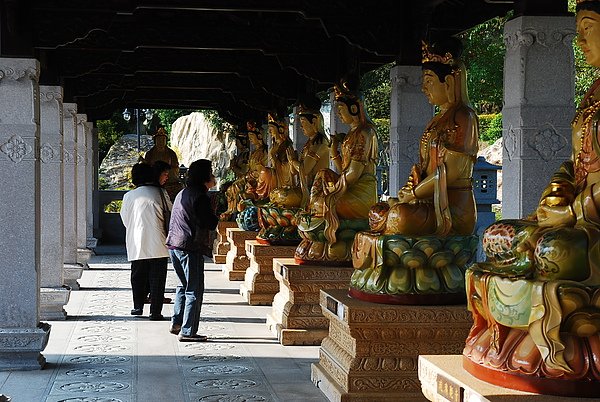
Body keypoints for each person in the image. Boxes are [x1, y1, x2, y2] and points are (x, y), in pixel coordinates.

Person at [462, 0, 600, 389]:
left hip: (591, 229)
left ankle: (549, 344)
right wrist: (555, 195)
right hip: (578, 221)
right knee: (500, 236)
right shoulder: (592, 96)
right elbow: (577, 164)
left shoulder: (461, 120)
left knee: (553, 250)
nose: (581, 40)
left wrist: (571, 213)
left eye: (588, 29)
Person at [368, 37, 478, 236]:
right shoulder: (435, 121)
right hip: (426, 201)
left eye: (429, 81)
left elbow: (450, 173)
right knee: (380, 211)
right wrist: (410, 187)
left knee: (399, 217)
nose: (424, 88)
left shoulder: (464, 117)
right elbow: (427, 168)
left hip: (451, 210)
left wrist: (413, 194)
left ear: (450, 83)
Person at [295, 76, 378, 263]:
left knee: (323, 205)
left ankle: (330, 242)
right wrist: (335, 152)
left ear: (354, 108)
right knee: (323, 175)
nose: (339, 114)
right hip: (348, 188)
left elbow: (353, 174)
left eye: (340, 109)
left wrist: (332, 191)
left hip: (361, 194)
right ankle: (318, 223)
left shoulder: (365, 133)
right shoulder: (351, 134)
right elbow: (343, 170)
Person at [166, 159, 218, 342]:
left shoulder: (184, 192)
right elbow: (209, 222)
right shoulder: (200, 195)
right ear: (205, 176)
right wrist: (217, 213)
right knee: (194, 289)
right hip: (190, 246)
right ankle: (188, 331)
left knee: (183, 285)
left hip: (175, 244)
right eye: (211, 172)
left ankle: (177, 323)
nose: (213, 176)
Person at [120, 162, 171, 320]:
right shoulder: (161, 193)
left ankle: (138, 307)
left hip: (137, 241)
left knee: (137, 276)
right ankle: (155, 312)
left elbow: (125, 219)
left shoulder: (129, 195)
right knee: (157, 278)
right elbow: (169, 213)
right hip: (159, 242)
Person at [143, 127, 181, 200]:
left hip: (169, 181)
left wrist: (166, 172)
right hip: (153, 182)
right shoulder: (150, 154)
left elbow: (176, 168)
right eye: (159, 140)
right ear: (155, 141)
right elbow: (146, 168)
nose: (161, 142)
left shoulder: (171, 153)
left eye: (163, 140)